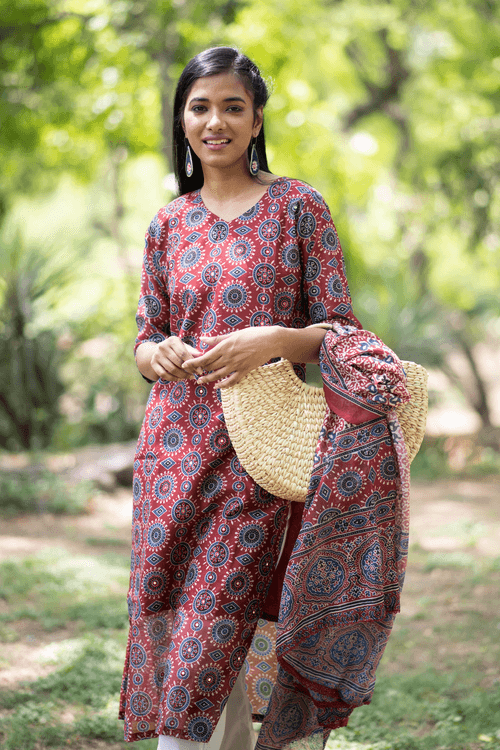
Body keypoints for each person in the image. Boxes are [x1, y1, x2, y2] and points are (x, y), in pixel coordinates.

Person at [119, 46, 411, 750]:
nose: (214, 121)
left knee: (218, 628)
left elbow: (342, 332)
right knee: (182, 620)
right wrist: (153, 354)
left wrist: (275, 339)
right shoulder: (168, 223)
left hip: (261, 455)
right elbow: (146, 334)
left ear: (255, 121)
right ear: (182, 118)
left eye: (231, 107)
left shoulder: (297, 206)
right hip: (171, 456)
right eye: (199, 106)